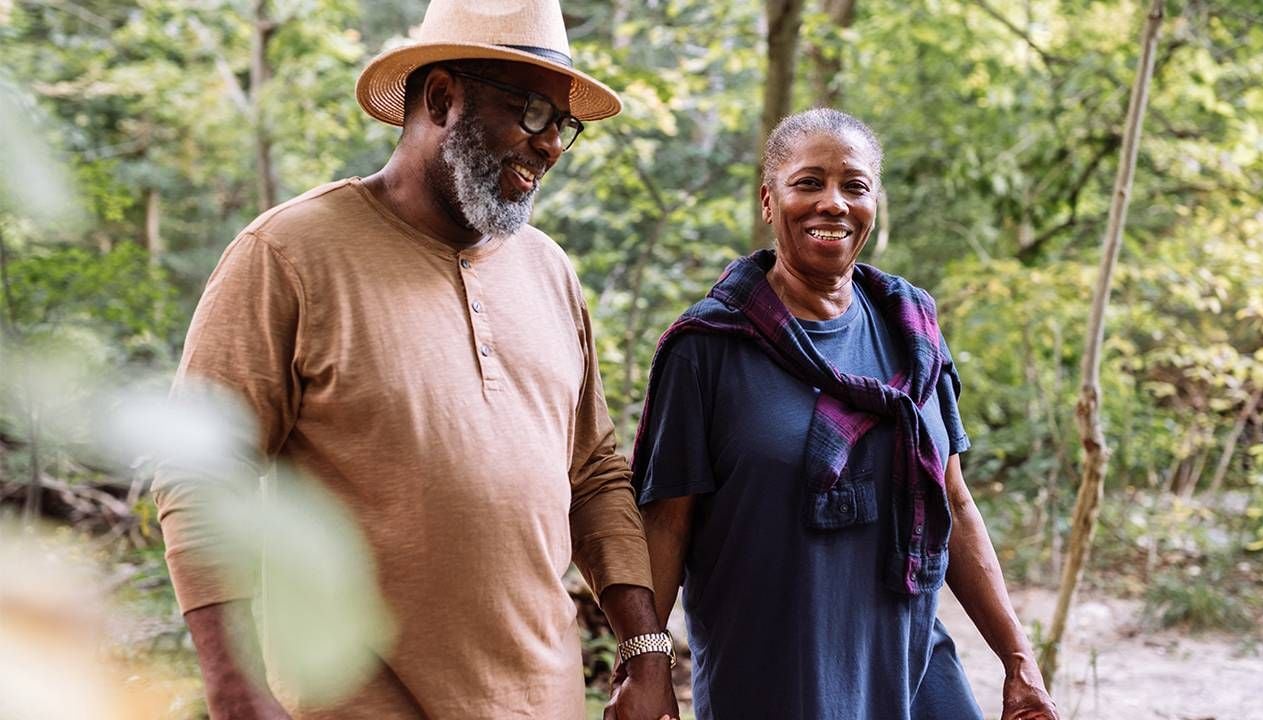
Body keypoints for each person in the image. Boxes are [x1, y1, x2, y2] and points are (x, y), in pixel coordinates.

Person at [152, 1, 679, 718]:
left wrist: (643, 650)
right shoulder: (289, 253)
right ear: (441, 99)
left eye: (563, 124)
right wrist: (236, 687)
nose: (551, 144)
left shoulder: (549, 271)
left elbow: (593, 475)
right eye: (530, 113)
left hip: (544, 701)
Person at [632, 108, 1058, 720]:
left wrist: (1019, 660)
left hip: (912, 668)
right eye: (808, 182)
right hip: (777, 681)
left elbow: (956, 504)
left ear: (873, 204)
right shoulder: (708, 348)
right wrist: (646, 661)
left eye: (853, 186)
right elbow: (664, 525)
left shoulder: (911, 332)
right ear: (768, 201)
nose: (832, 202)